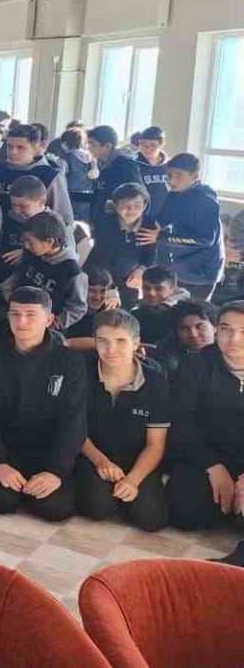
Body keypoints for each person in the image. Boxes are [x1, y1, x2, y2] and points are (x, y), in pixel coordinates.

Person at [0, 287, 87, 521]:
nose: (21, 321)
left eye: (31, 314)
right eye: (15, 314)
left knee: (55, 509)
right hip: (2, 447)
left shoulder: (69, 361)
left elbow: (74, 420)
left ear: (49, 319)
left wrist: (56, 471)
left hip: (46, 450)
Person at [74, 310, 170, 532]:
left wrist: (133, 480)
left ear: (135, 343)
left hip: (137, 458)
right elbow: (75, 429)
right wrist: (101, 461)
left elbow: (155, 444)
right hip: (93, 454)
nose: (111, 349)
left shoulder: (156, 383)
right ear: (95, 342)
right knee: (98, 507)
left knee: (151, 519)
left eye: (120, 341)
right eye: (103, 341)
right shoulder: (81, 375)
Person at [166, 300, 244, 531]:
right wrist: (213, 466)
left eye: (243, 331)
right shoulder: (196, 363)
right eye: (226, 329)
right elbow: (181, 421)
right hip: (207, 455)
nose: (234, 339)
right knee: (186, 512)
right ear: (217, 330)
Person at [146, 153, 224, 302]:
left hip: (201, 272)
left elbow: (205, 239)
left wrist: (161, 237)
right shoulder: (176, 193)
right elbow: (162, 219)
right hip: (180, 267)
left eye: (179, 176)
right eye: (169, 175)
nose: (172, 180)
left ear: (194, 176)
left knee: (193, 312)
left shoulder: (206, 200)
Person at [2, 212, 88, 331]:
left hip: (45, 328)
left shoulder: (72, 272)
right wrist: (8, 293)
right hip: (17, 314)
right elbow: (18, 275)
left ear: (50, 241)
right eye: (24, 242)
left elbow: (77, 308)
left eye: (30, 242)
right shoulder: (31, 254)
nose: (26, 246)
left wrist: (52, 324)